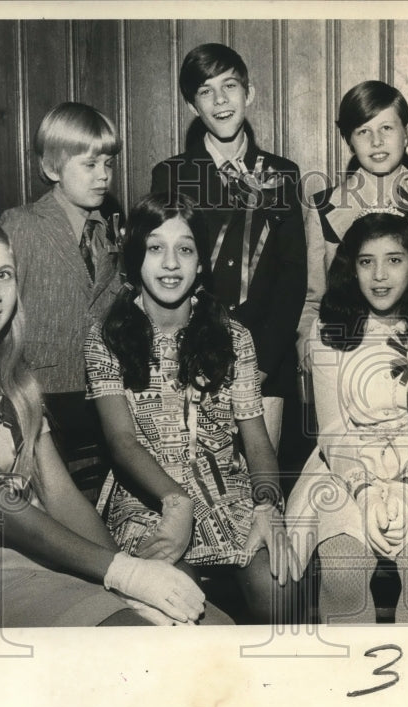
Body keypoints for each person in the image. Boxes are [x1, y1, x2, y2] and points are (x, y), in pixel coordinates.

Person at [0, 208, 218, 628]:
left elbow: (61, 496)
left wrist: (129, 575)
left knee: (212, 627)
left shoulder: (14, 380)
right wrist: (121, 573)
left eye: (4, 275)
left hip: (40, 555)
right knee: (138, 638)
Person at [85, 193, 292, 625]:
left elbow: (256, 438)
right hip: (147, 501)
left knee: (280, 584)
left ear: (201, 264)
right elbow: (121, 442)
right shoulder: (107, 338)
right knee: (176, 597)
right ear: (135, 258)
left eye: (185, 249)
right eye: (155, 248)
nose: (170, 263)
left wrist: (268, 504)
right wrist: (176, 504)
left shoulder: (234, 337)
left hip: (229, 496)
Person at [286, 212, 408, 623]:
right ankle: (349, 680)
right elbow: (334, 433)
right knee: (342, 566)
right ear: (350, 268)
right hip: (345, 467)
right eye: (365, 261)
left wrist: (407, 489)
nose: (379, 275)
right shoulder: (328, 329)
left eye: (393, 260)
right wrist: (365, 491)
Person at [150, 42, 306, 450]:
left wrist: (264, 364)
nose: (220, 100)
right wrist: (194, 355)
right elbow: (166, 274)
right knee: (201, 483)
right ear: (191, 106)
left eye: (230, 86)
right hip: (195, 357)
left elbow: (293, 277)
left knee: (263, 491)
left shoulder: (282, 174)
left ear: (249, 93)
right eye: (205, 91)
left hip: (268, 361)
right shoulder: (171, 176)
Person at [0, 102, 124, 491]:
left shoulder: (109, 233)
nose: (103, 176)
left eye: (108, 164)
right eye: (89, 165)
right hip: (41, 392)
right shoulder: (21, 225)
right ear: (53, 169)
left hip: (99, 395)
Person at [297, 80, 408, 371]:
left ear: (407, 133)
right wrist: (307, 349)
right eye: (363, 131)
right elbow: (313, 299)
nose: (376, 142)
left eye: (387, 128)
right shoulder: (324, 207)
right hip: (344, 355)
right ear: (349, 140)